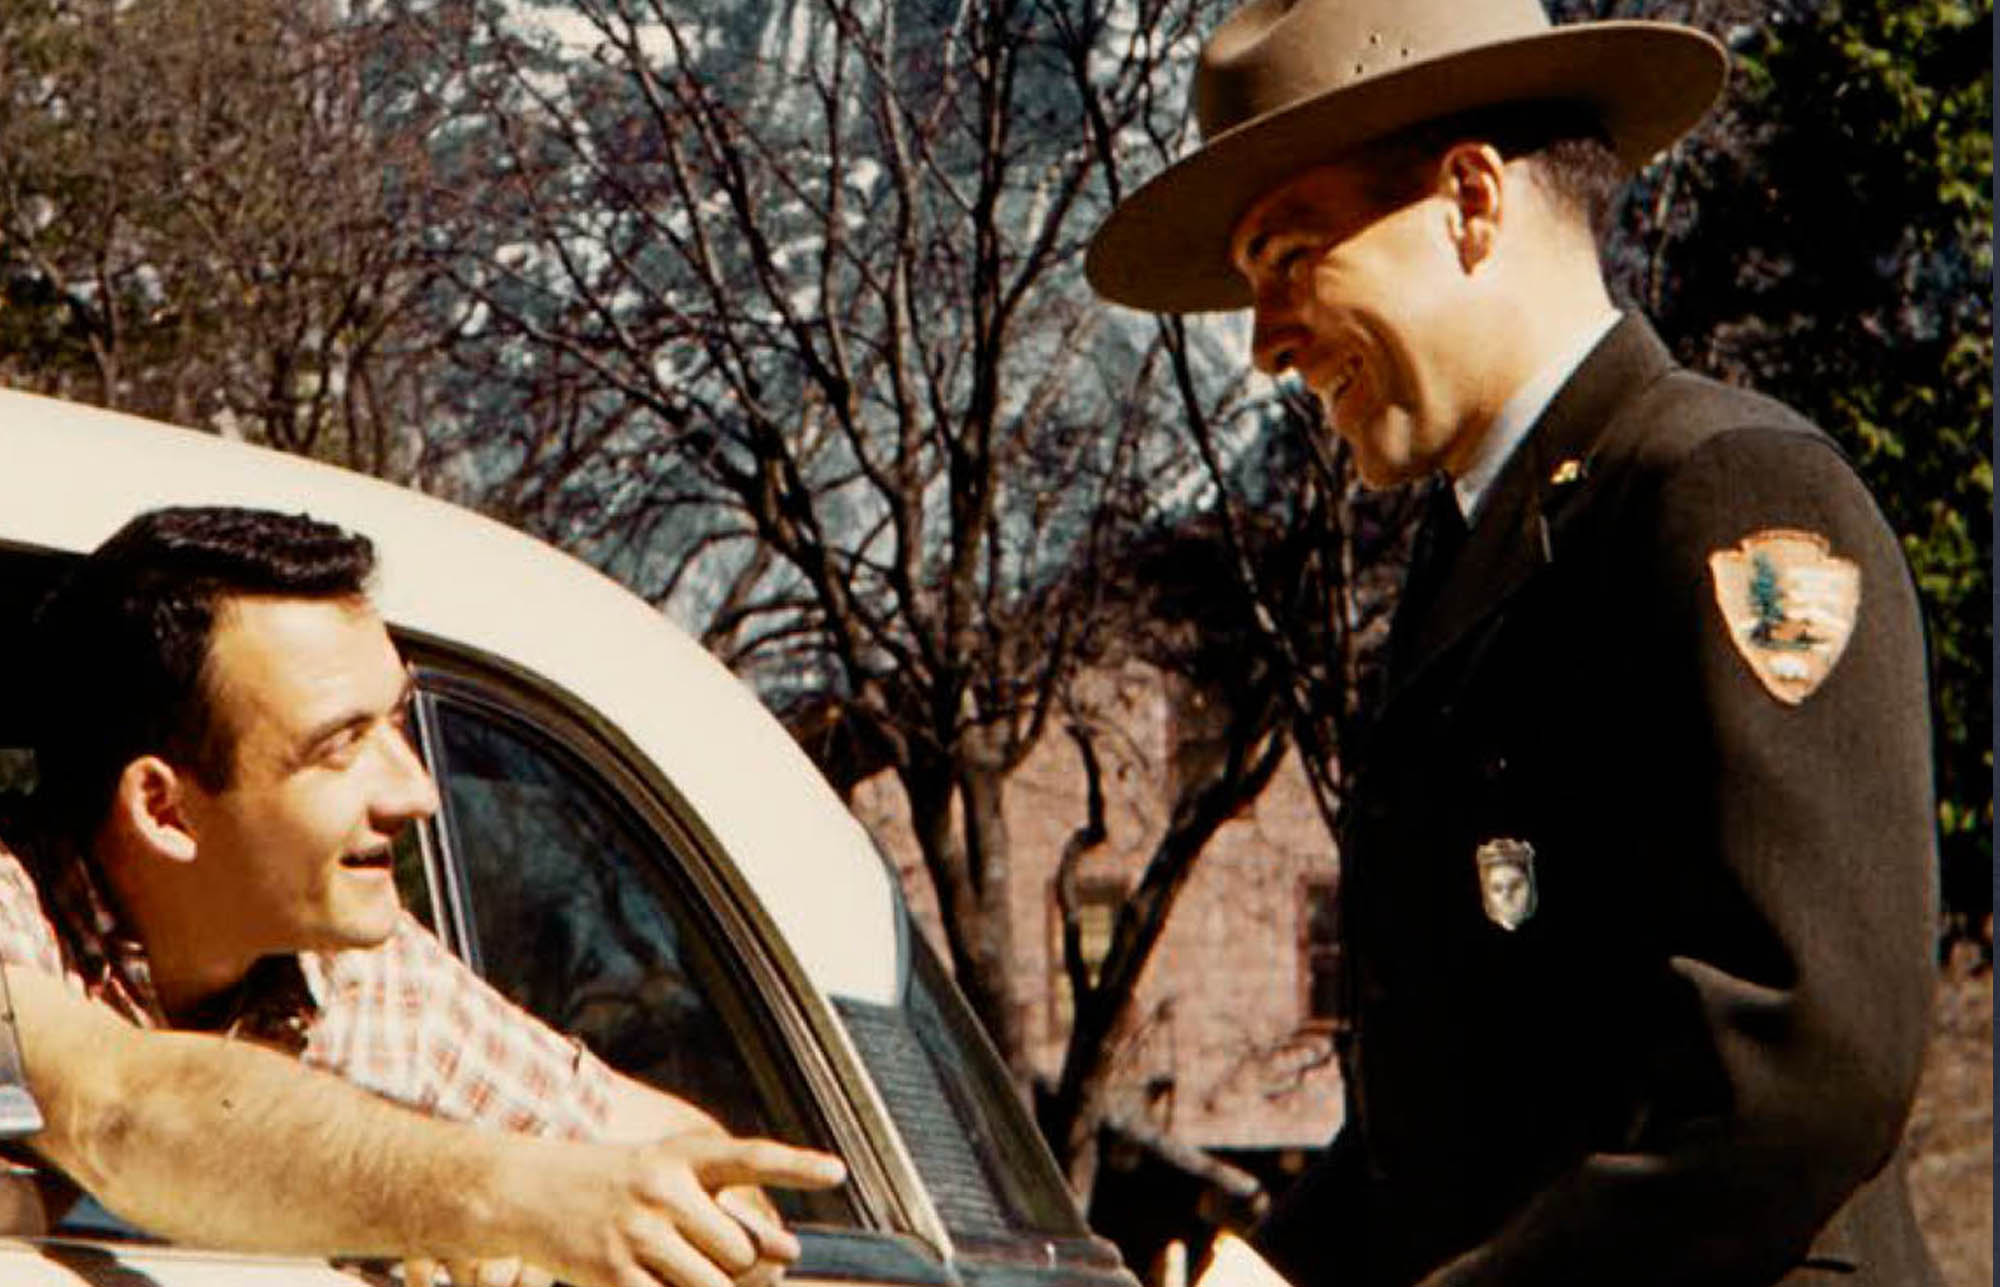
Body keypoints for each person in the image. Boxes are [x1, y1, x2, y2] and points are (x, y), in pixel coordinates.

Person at [1087, 2, 1942, 1285]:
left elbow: (1792, 1080)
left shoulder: (1718, 494)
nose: (1262, 344)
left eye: (1288, 256)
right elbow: (1462, 1106)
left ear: (1470, 201)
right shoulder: (1479, 557)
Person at [0, 505, 847, 1287]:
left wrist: (580, 1230)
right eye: (341, 745)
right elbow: (118, 1109)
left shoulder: (367, 972)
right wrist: (492, 1196)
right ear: (165, 809)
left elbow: (696, 1162)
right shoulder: (11, 908)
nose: (417, 793)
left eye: (397, 723)